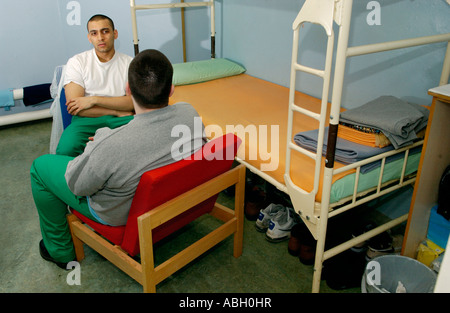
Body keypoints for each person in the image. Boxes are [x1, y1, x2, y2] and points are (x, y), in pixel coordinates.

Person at [30, 49, 206, 269]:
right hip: (172, 198)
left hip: (119, 213)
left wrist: (93, 152)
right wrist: (103, 149)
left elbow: (78, 186)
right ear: (171, 89)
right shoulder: (190, 113)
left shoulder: (110, 144)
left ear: (128, 90)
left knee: (39, 168)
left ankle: (61, 251)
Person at [56, 14, 135, 157]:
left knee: (145, 140)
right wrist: (116, 111)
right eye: (94, 33)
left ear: (115, 34)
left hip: (122, 120)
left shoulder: (130, 63)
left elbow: (133, 103)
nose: (100, 37)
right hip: (87, 121)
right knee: (66, 149)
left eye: (105, 31)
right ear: (89, 37)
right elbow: (75, 107)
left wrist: (93, 99)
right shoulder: (77, 62)